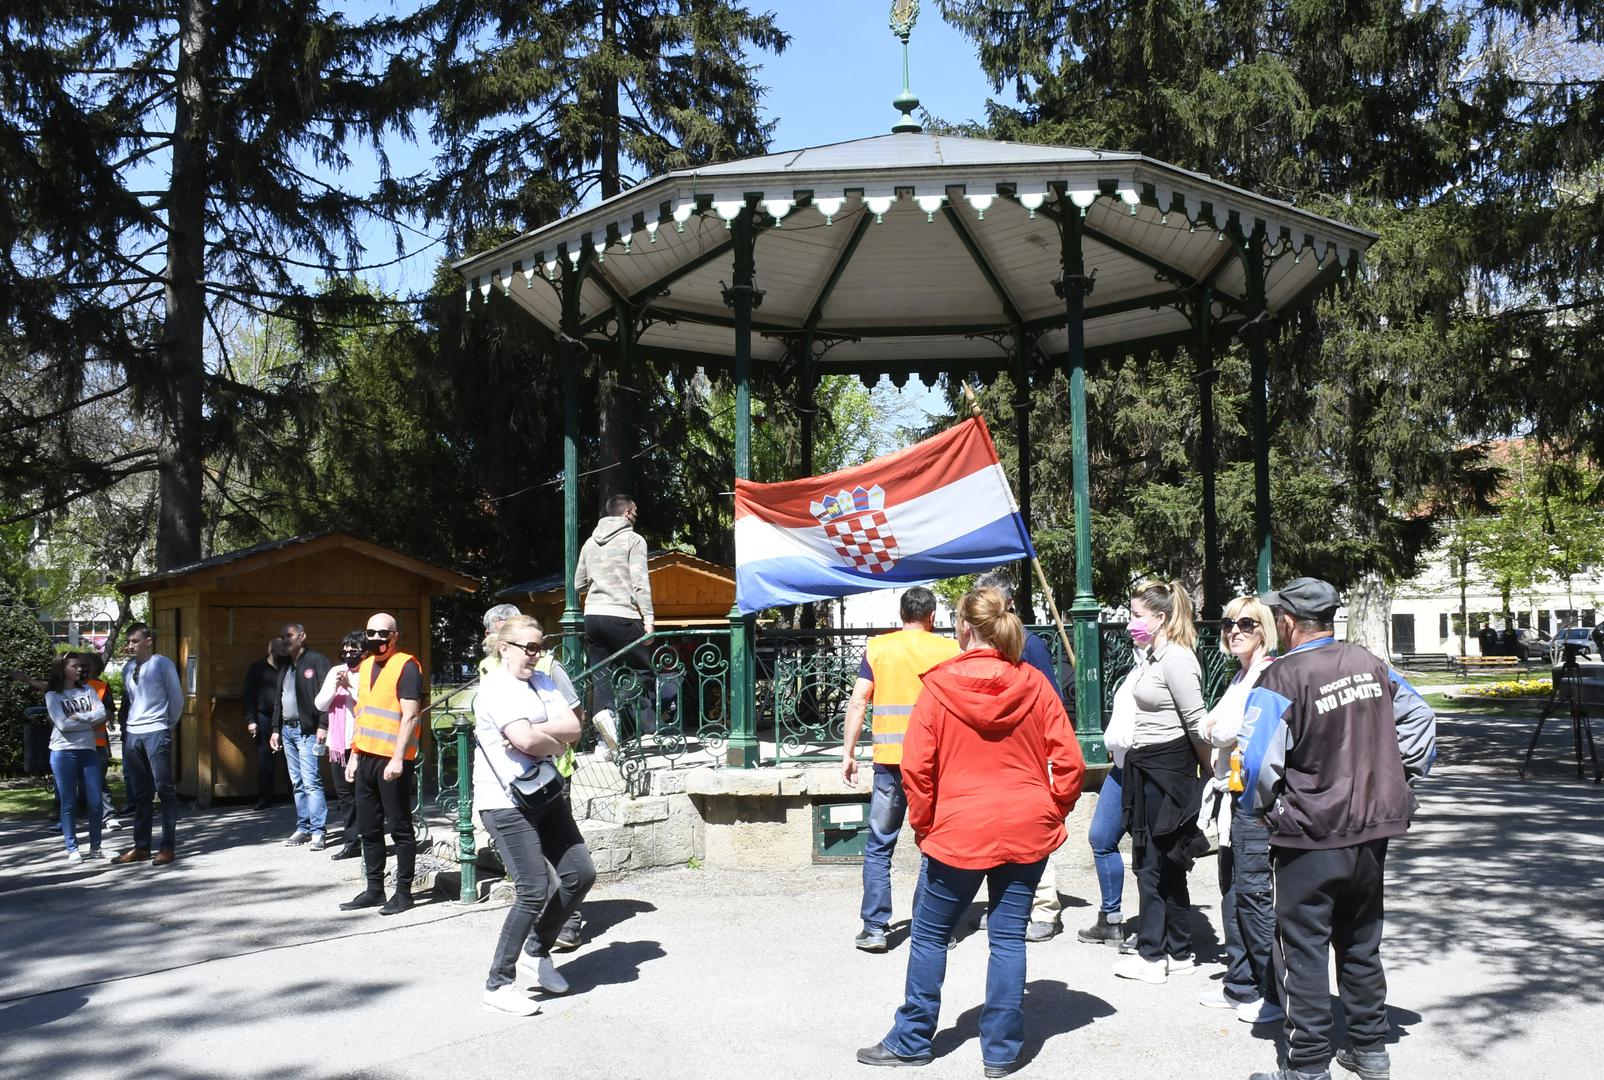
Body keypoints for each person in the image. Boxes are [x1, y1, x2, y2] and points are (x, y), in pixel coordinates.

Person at [857, 587, 1085, 1074]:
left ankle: (913, 1038)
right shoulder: (1034, 683)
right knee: (1008, 938)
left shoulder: (939, 687)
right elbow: (1069, 760)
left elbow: (916, 769)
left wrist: (925, 824)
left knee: (930, 934)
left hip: (957, 826)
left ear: (963, 626)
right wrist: (1052, 811)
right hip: (1025, 824)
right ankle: (1000, 1051)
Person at [1240, 578, 1437, 1080]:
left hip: (1309, 832)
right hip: (1372, 828)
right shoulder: (1371, 664)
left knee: (1304, 945)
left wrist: (1262, 809)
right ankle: (1370, 1050)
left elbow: (1260, 761)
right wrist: (1397, 774)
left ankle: (1307, 1064)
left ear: (1287, 622)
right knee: (1361, 937)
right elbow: (1420, 719)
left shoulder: (1281, 677)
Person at [473, 615, 595, 1017]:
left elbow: (574, 728)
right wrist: (550, 742)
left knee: (580, 872)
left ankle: (537, 951)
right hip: (505, 801)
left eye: (539, 646)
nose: (535, 654)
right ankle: (499, 982)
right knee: (532, 888)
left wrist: (539, 735)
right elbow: (524, 737)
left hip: (544, 793)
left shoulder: (542, 681)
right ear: (503, 647)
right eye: (528, 646)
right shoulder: (494, 689)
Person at [840, 586, 960, 953]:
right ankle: (931, 927)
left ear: (900, 614)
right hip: (933, 765)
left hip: (889, 764)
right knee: (934, 845)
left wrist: (848, 753)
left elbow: (859, 700)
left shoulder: (878, 649)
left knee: (879, 845)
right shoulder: (950, 650)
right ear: (933, 617)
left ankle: (875, 927)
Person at [1111, 580, 1211, 984]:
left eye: (1137, 615)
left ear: (1161, 618)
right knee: (1162, 861)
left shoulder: (1178, 659)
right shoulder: (1154, 656)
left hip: (1169, 771)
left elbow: (1196, 721)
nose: (1131, 622)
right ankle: (1179, 948)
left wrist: (1209, 778)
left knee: (1153, 862)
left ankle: (1152, 956)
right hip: (1149, 767)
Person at [973, 570, 1077, 943]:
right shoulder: (977, 646)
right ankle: (1004, 905)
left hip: (1029, 755)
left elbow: (1050, 701)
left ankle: (1045, 909)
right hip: (994, 756)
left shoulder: (1030, 645)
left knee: (1034, 835)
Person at [1197, 596, 1282, 1025]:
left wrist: (1219, 730)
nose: (1234, 630)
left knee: (1253, 897)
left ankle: (1270, 992)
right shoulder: (1238, 677)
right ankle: (1240, 984)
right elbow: (1207, 726)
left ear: (1264, 630)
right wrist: (1218, 729)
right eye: (1228, 623)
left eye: (1245, 623)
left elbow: (1227, 728)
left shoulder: (1268, 676)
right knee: (1231, 889)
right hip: (1231, 798)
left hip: (1256, 801)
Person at [340, 613, 424, 916]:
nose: (376, 639)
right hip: (366, 759)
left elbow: (411, 715)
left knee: (400, 827)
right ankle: (375, 889)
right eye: (371, 633)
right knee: (369, 827)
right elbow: (363, 714)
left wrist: (399, 758)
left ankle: (403, 893)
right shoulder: (365, 667)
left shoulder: (407, 666)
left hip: (392, 760)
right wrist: (354, 755)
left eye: (382, 633)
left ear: (395, 636)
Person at [574, 494, 655, 757]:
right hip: (622, 614)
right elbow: (640, 581)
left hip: (592, 617)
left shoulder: (590, 543)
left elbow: (579, 584)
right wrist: (649, 619)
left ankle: (603, 744)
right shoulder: (633, 539)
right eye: (637, 512)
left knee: (601, 678)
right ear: (629, 512)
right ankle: (613, 712)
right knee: (645, 671)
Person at [115, 623, 185, 866]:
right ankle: (141, 846)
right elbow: (133, 701)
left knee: (164, 789)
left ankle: (167, 846)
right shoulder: (128, 668)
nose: (130, 646)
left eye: (135, 641)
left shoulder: (162, 664)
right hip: (134, 733)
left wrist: (167, 724)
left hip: (156, 730)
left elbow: (176, 698)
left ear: (148, 641)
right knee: (141, 793)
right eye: (128, 641)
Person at [271, 622, 332, 850]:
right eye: (282, 636)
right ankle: (303, 828)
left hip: (308, 731)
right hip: (287, 730)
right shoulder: (285, 665)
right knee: (296, 782)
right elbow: (279, 699)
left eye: (290, 635)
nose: (285, 640)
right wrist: (275, 729)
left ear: (302, 636)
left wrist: (323, 725)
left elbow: (329, 696)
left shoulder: (317, 661)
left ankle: (318, 831)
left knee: (311, 782)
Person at [45, 653, 108, 862]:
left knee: (96, 801)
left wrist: (79, 717)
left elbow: (102, 714)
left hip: (88, 751)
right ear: (62, 668)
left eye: (81, 666)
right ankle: (72, 848)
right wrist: (88, 721)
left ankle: (96, 847)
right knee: (68, 802)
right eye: (74, 666)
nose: (79, 669)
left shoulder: (88, 689)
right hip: (63, 752)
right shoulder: (53, 695)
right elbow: (62, 725)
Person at [315, 631, 367, 860]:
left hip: (362, 741)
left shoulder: (369, 671)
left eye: (353, 651)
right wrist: (335, 686)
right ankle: (352, 841)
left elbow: (368, 704)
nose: (348, 655)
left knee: (363, 794)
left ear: (364, 652)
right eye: (344, 651)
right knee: (345, 795)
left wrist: (350, 687)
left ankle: (370, 839)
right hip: (338, 743)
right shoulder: (336, 671)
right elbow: (320, 704)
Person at [243, 639, 286, 811]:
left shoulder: (287, 666)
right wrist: (251, 720)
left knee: (290, 759)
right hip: (264, 717)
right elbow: (248, 694)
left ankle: (295, 797)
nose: (282, 652)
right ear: (270, 650)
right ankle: (264, 798)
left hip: (285, 717)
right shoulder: (257, 668)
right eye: (279, 649)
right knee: (265, 759)